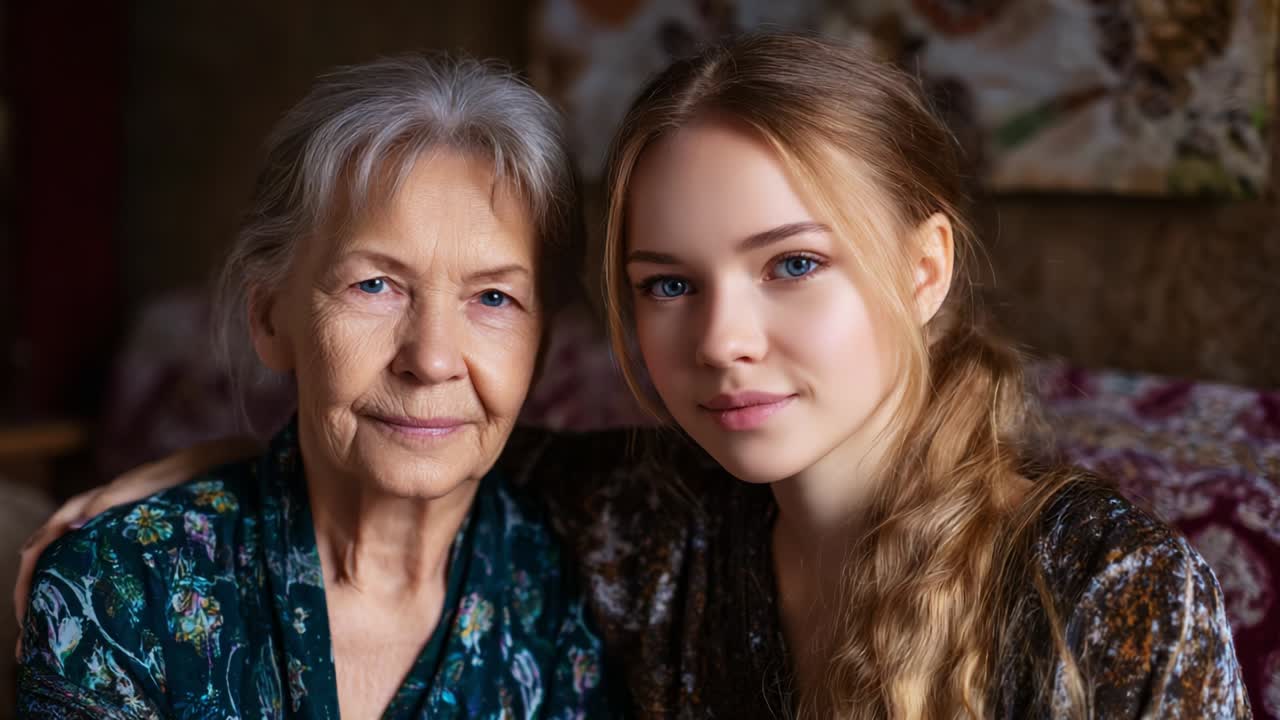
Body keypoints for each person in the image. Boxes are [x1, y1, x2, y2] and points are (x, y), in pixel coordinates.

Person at [18, 34, 1250, 718]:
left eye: (792, 264)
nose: (720, 340)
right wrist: (220, 461)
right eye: (667, 283)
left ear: (923, 267)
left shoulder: (1106, 593)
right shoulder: (661, 525)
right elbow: (422, 441)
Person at [15, 55, 608, 719]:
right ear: (270, 319)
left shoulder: (583, 589)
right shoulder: (121, 583)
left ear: (543, 347)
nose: (433, 359)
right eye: (375, 285)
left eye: (494, 297)